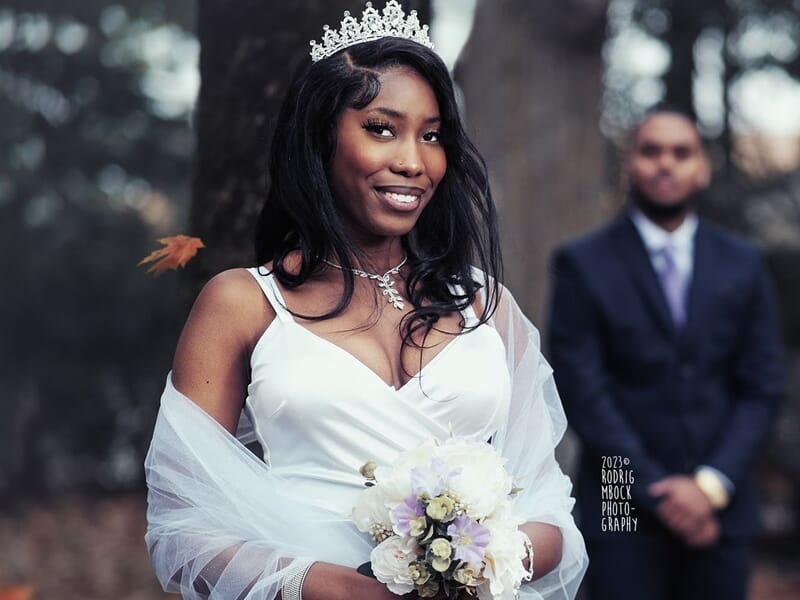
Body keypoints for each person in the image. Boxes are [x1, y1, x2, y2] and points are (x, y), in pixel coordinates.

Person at [144, 2, 588, 599]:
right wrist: (316, 583)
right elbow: (182, 525)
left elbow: (551, 510)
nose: (412, 162)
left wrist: (480, 558)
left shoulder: (487, 304)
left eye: (431, 136)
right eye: (382, 128)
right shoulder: (241, 303)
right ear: (321, 139)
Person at [547, 105, 783, 600]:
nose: (666, 164)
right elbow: (583, 393)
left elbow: (761, 386)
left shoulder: (743, 263)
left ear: (703, 166)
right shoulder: (582, 264)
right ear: (629, 161)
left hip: (723, 496)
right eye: (651, 150)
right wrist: (663, 493)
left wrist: (710, 487)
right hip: (617, 491)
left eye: (682, 152)